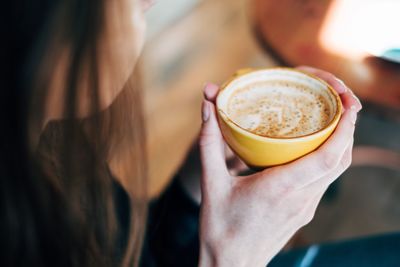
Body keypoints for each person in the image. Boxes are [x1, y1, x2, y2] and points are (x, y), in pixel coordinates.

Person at [2, 0, 367, 266]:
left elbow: (135, 254)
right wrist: (233, 257)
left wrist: (196, 185)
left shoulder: (50, 149)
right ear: (42, 31)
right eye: (132, 5)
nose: (150, 2)